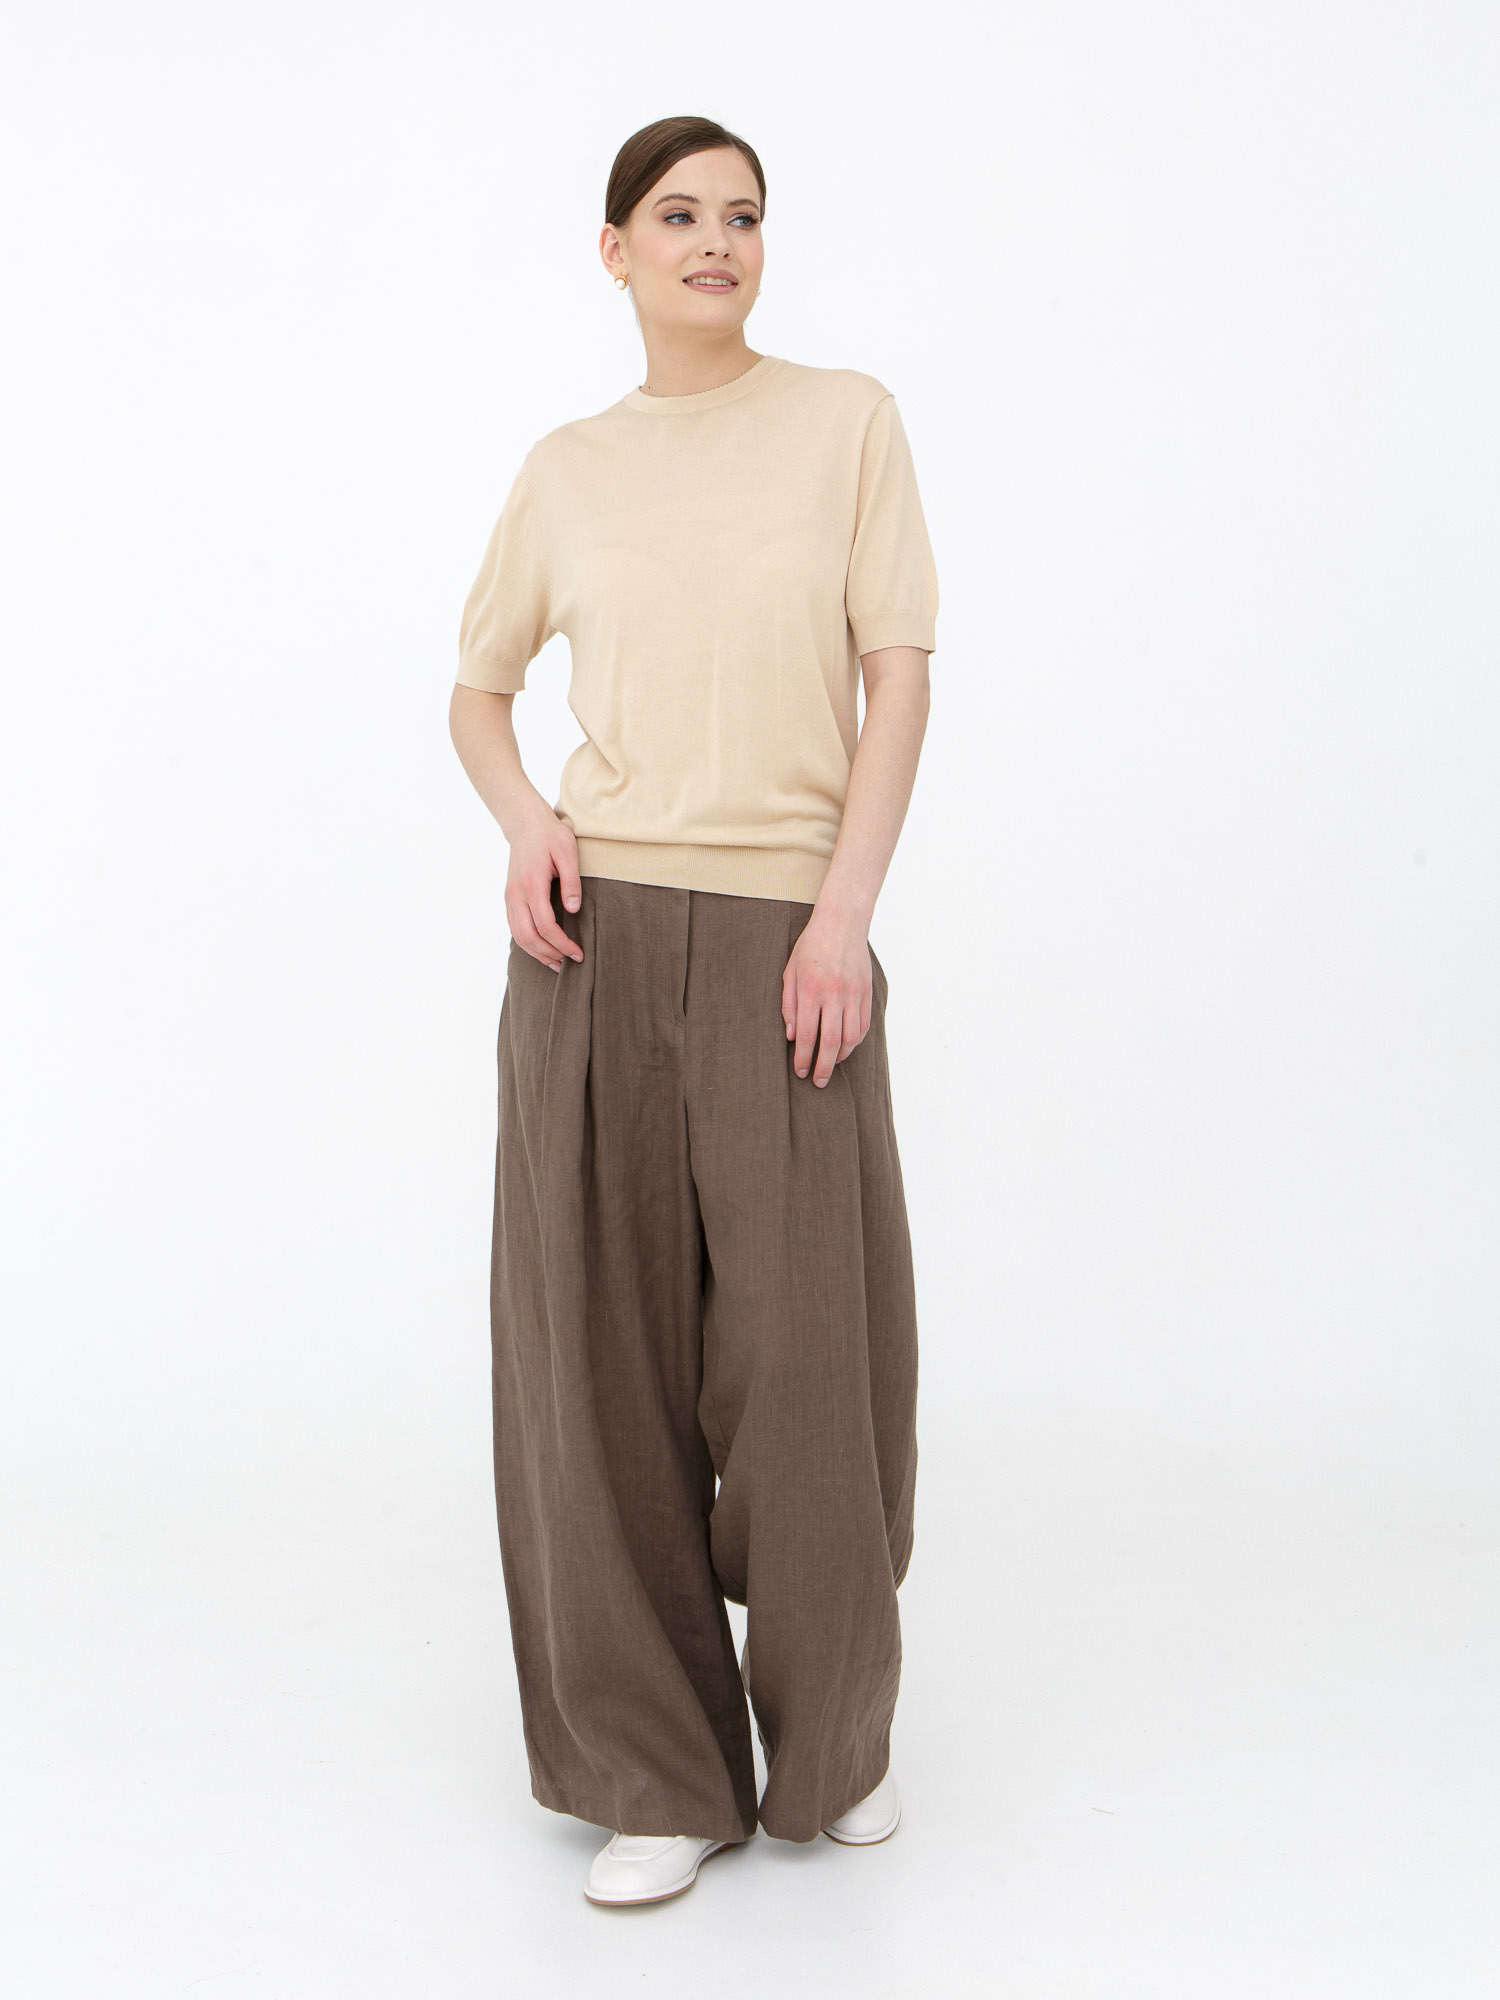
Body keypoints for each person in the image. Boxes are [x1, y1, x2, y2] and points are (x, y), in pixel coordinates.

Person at [448, 114, 939, 1907]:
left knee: (812, 1367)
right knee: (595, 1363)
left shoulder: (846, 422)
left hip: (787, 937)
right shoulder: (569, 468)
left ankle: (835, 1740)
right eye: (679, 215)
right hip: (589, 944)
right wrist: (528, 824)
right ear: (617, 251)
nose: (716, 240)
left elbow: (897, 678)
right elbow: (478, 690)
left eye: (742, 214)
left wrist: (842, 919)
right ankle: (652, 1771)